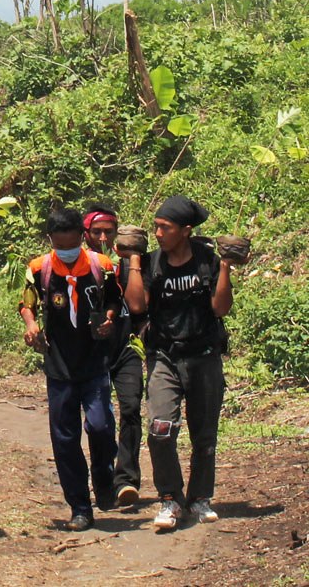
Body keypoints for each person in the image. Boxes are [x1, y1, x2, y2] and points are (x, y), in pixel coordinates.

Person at [123, 195, 234, 531]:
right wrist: (133, 260)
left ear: (185, 231)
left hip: (204, 358)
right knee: (159, 430)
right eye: (155, 226)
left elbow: (221, 308)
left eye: (165, 228)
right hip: (164, 358)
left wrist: (227, 267)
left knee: (205, 435)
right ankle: (170, 498)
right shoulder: (151, 262)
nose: (157, 233)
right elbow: (137, 305)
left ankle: (200, 499)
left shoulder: (206, 262)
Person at [19, 207, 120, 531]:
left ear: (82, 236)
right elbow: (27, 303)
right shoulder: (39, 269)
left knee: (101, 426)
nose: (66, 250)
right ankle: (79, 506)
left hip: (94, 361)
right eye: (59, 244)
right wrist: (32, 325)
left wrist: (108, 319)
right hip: (59, 365)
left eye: (71, 243)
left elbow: (114, 300)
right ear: (50, 240)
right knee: (64, 438)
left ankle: (104, 479)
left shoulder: (100, 266)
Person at [83, 203, 144, 508]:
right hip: (93, 355)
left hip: (126, 349)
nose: (104, 237)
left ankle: (127, 480)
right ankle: (103, 481)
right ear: (86, 234)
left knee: (131, 408)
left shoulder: (128, 265)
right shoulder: (81, 268)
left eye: (110, 231)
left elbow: (137, 306)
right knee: (101, 422)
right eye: (97, 232)